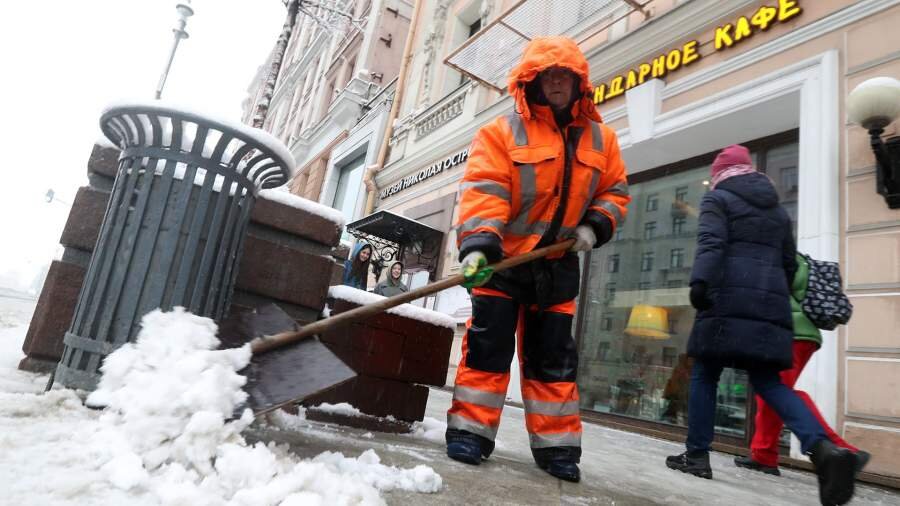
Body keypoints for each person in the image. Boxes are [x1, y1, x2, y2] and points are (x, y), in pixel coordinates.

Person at [446, 36, 631, 483]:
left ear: (578, 83)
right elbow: (486, 189)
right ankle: (470, 433)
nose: (556, 81)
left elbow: (615, 192)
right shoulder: (500, 132)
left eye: (564, 74)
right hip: (502, 263)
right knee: (487, 352)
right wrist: (478, 246)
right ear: (530, 81)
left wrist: (594, 226)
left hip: (558, 266)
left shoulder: (601, 139)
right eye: (547, 74)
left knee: (553, 360)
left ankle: (558, 448)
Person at [664, 145, 866, 505]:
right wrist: (770, 296)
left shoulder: (719, 199)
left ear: (721, 173)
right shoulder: (777, 211)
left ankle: (696, 456)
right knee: (769, 383)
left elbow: (711, 242)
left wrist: (700, 284)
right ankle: (822, 449)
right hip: (770, 307)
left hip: (724, 300)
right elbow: (789, 264)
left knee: (705, 373)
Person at [735, 252, 868, 475]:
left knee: (779, 392)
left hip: (788, 332)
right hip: (802, 334)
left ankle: (843, 450)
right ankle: (763, 455)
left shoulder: (776, 255)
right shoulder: (795, 257)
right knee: (771, 394)